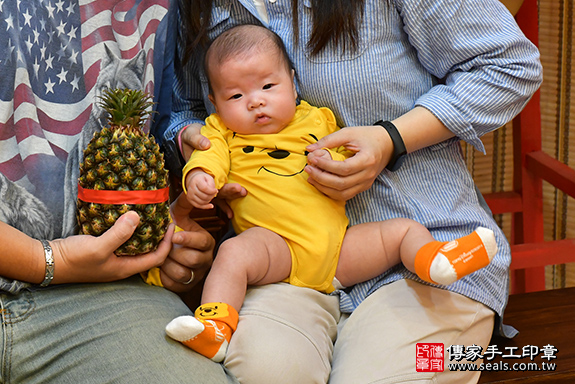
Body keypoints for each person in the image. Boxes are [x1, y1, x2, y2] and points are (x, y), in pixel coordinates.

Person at [164, 0, 543, 383]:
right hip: (280, 260)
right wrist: (200, 151)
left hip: (419, 237)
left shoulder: (318, 120)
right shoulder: (198, 6)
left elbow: (510, 65)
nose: (257, 101)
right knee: (267, 373)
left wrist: (390, 139)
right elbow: (185, 110)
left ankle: (441, 259)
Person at [0, 1, 236, 383]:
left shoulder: (168, 11)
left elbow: (168, 122)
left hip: (105, 294)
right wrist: (45, 259)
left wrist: (165, 236)